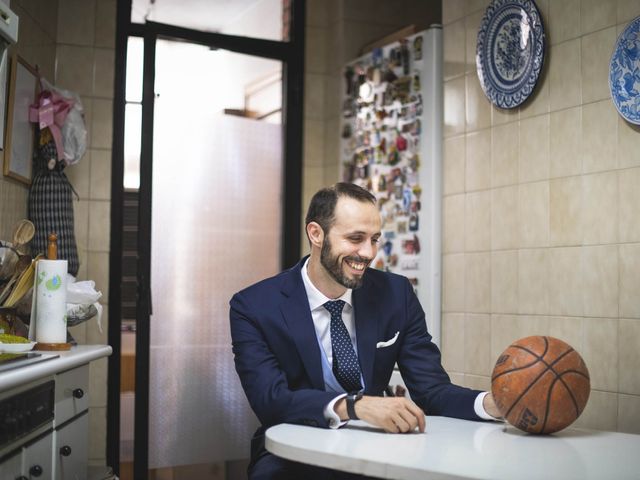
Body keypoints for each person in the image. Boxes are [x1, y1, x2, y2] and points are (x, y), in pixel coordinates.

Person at [230, 182, 500, 479]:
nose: (368, 253)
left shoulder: (396, 294)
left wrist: (493, 404)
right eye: (355, 238)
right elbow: (271, 400)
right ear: (316, 234)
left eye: (374, 239)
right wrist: (355, 406)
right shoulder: (254, 306)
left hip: (377, 444)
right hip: (291, 450)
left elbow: (431, 389)